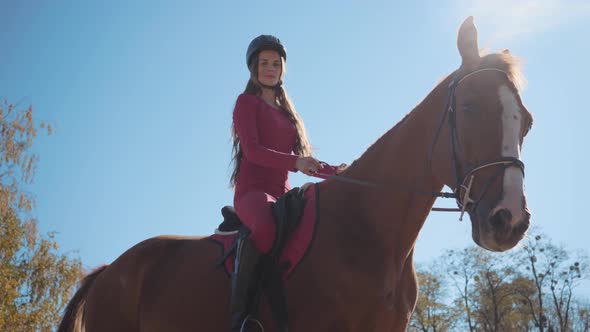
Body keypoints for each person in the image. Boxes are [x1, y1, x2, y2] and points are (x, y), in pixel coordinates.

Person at [228, 34, 346, 331]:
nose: (270, 68)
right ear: (253, 69)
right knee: (266, 226)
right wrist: (295, 163)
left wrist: (338, 172)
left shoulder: (288, 114)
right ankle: (243, 316)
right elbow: (253, 152)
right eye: (264, 63)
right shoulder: (246, 103)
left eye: (275, 64)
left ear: (282, 69)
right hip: (252, 193)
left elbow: (305, 160)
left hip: (282, 194)